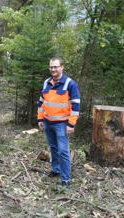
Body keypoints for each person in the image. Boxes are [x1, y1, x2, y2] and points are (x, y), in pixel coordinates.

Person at [37, 57, 80, 190]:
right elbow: (41, 102)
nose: (53, 69)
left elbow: (76, 105)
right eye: (51, 67)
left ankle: (66, 179)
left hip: (62, 124)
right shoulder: (46, 83)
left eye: (56, 67)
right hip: (48, 122)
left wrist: (71, 124)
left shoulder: (70, 84)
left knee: (63, 151)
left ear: (62, 67)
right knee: (53, 147)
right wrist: (40, 118)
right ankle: (56, 170)